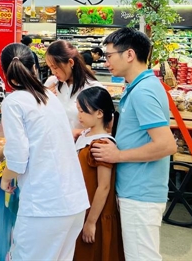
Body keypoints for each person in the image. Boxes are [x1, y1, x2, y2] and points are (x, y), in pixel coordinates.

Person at [0, 43, 89, 261]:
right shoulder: (48, 96)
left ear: (5, 72)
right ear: (35, 68)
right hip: (73, 201)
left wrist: (6, 178)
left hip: (45, 205)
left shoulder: (14, 101)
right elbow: (42, 139)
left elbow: (18, 157)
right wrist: (1, 153)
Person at [92, 28, 177, 261]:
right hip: (136, 189)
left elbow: (166, 145)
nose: (106, 61)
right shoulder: (137, 87)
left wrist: (117, 155)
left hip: (141, 193)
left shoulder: (144, 91)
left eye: (109, 55)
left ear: (129, 55)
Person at [73, 87, 124, 261]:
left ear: (99, 113)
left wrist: (91, 222)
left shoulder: (102, 143)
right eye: (78, 110)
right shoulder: (86, 134)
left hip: (95, 213)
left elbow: (104, 186)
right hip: (83, 207)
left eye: (83, 111)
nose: (79, 115)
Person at [45, 40, 104, 132]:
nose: (53, 72)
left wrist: (81, 133)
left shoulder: (92, 88)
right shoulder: (51, 83)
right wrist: (43, 98)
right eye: (50, 67)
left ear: (71, 63)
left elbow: (106, 127)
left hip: (80, 145)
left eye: (55, 67)